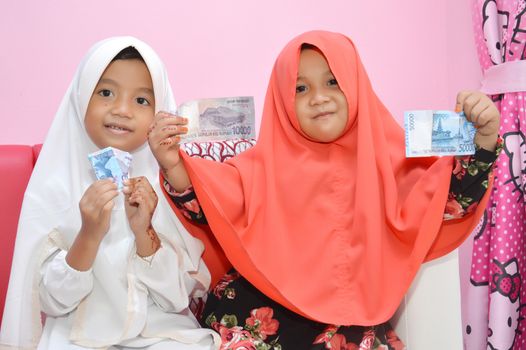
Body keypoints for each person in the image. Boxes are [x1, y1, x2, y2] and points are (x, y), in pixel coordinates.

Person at [148, 31, 501, 349]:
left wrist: (483, 138)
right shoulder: (258, 167)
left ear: (356, 84)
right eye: (300, 88)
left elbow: (447, 199)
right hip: (262, 323)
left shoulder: (392, 162)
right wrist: (173, 164)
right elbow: (208, 204)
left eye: (333, 82)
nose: (318, 98)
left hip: (350, 330)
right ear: (282, 99)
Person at [0, 37, 219, 349]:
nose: (121, 110)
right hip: (77, 335)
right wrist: (89, 234)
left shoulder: (167, 182)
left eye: (141, 100)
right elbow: (53, 302)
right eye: (105, 93)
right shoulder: (54, 186)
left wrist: (145, 234)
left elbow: (177, 297)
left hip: (160, 333)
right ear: (80, 98)